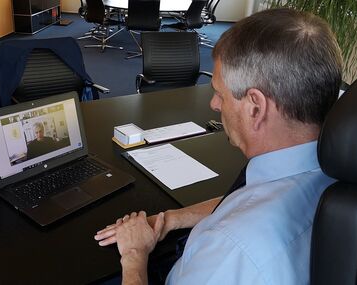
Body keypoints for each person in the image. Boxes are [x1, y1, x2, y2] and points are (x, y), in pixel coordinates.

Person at [94, 8, 343, 285]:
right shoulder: (333, 167)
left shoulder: (233, 248)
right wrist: (173, 218)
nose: (214, 104)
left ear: (255, 108)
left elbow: (239, 224)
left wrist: (134, 254)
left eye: (219, 93)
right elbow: (245, 200)